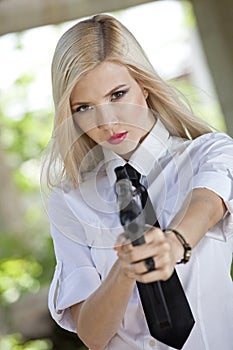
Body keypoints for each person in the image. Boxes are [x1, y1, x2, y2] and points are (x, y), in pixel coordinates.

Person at [43, 13, 233, 350]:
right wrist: (126, 268)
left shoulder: (209, 152)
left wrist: (173, 244)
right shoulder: (69, 200)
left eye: (117, 95)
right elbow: (92, 335)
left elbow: (207, 204)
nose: (107, 121)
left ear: (144, 85)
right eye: (85, 107)